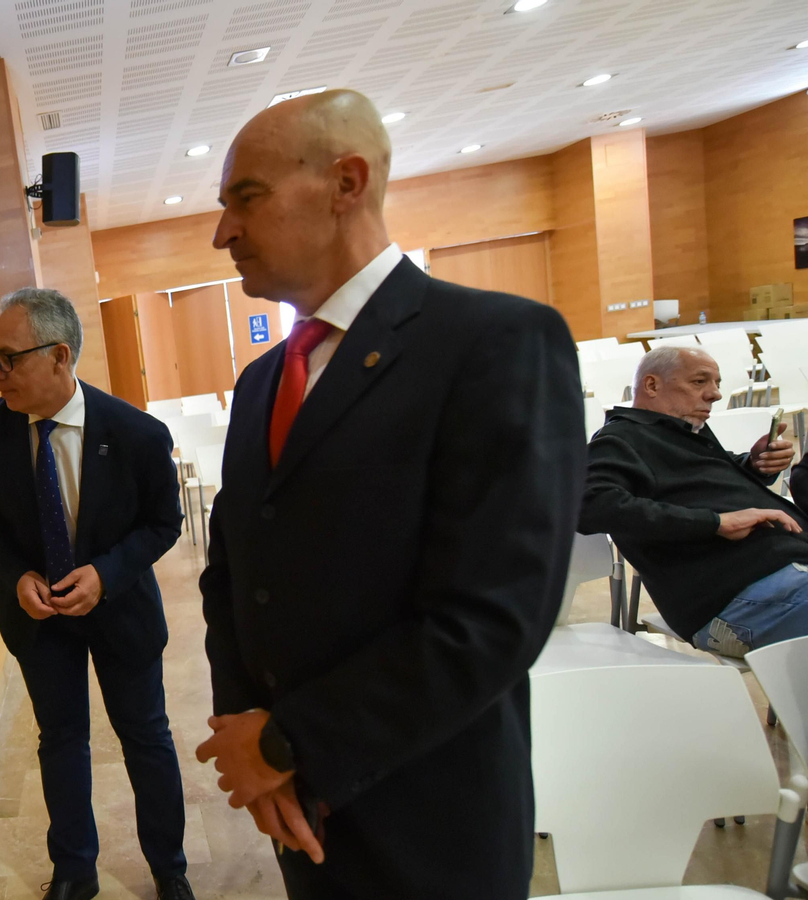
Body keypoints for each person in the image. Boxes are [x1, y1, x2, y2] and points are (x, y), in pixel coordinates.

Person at [193, 89, 585, 899]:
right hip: (301, 805)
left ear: (347, 183)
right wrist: (248, 739)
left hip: (430, 816)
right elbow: (232, 572)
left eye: (247, 198)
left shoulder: (496, 341)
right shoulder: (263, 382)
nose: (222, 232)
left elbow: (492, 617)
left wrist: (285, 744)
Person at [0, 288, 194, 900]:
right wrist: (16, 575)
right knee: (61, 740)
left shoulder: (137, 433)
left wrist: (107, 574)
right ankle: (74, 872)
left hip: (120, 613)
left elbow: (164, 524)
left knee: (145, 737)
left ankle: (170, 869)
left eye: (8, 358)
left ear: (60, 356)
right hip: (39, 619)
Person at [580, 345, 808, 655]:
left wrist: (752, 464)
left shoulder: (683, 433)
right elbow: (591, 506)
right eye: (700, 382)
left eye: (717, 384)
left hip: (785, 575)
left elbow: (700, 480)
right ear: (652, 385)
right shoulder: (619, 439)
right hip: (736, 596)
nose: (714, 394)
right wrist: (714, 523)